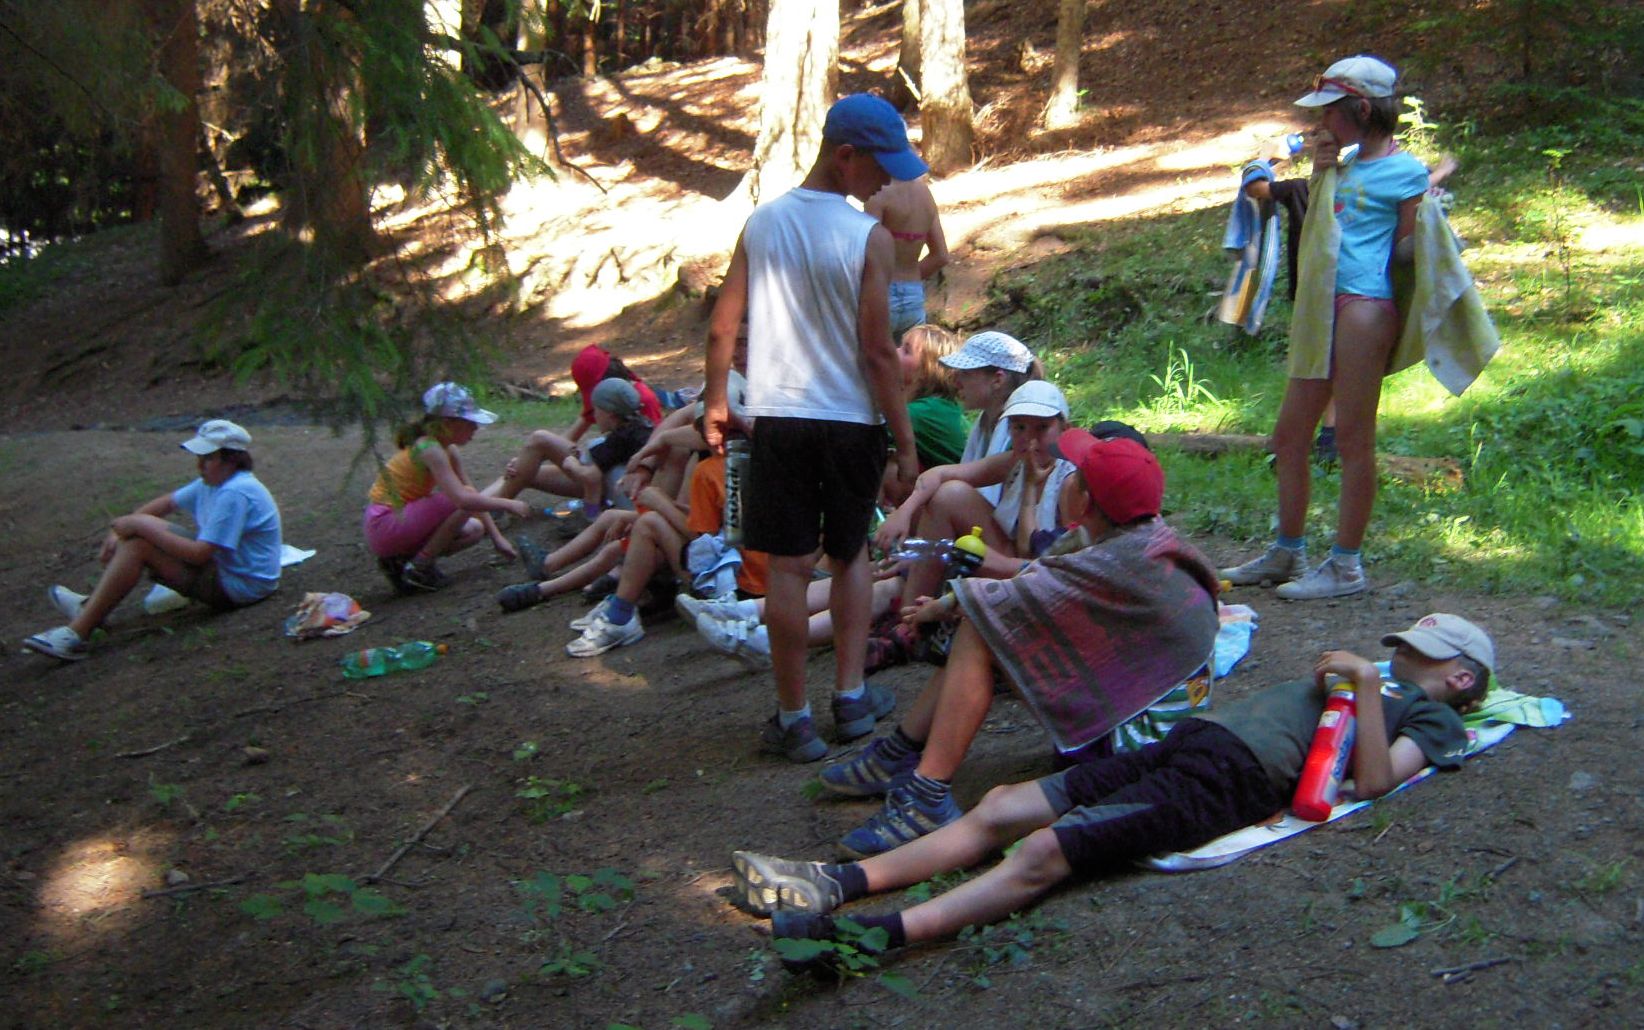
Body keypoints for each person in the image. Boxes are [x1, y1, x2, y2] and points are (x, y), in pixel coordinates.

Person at [730, 612, 1493, 969]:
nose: (1403, 652)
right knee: (1002, 804)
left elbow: (1372, 780)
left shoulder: (1431, 717)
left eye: (1425, 651)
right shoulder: (1377, 682)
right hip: (1189, 743)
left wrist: (1366, 686)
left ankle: (873, 937)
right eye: (1403, 644)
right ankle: (836, 883)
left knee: (1044, 850)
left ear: (1461, 679)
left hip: (1231, 779)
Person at [823, 430, 1221, 857]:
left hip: (1140, 751)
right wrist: (950, 602)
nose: (1065, 478)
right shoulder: (1145, 539)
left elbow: (1020, 593)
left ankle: (926, 793)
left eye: (1074, 475)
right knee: (987, 617)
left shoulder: (1111, 561)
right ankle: (900, 752)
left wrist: (944, 607)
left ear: (1085, 501)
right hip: (1161, 724)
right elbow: (1040, 577)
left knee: (984, 626)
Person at [700, 93, 923, 762]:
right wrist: (904, 444)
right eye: (881, 167)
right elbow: (878, 352)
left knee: (789, 568)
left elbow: (722, 326)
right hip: (851, 423)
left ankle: (794, 717)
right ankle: (850, 699)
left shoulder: (763, 224)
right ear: (845, 156)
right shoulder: (866, 237)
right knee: (851, 556)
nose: (887, 183)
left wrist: (717, 400)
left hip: (781, 419)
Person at [1223, 56, 1434, 600]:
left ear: (1361, 109)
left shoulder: (1407, 172)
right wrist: (1322, 170)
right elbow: (1319, 232)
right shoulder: (1338, 163)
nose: (1321, 123)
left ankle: (1346, 566)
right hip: (1320, 307)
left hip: (1365, 310)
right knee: (1289, 437)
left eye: (1330, 112)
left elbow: (1406, 252)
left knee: (1353, 441)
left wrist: (1433, 229)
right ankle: (1288, 551)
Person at [25, 419, 284, 661]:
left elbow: (199, 554)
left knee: (140, 544)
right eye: (199, 458)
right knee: (139, 535)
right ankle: (89, 608)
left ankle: (76, 633)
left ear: (231, 460)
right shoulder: (211, 484)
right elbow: (165, 504)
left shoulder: (235, 493)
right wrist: (121, 531)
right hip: (227, 570)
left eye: (208, 458)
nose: (199, 466)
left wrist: (139, 526)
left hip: (241, 586)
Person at [867, 378, 1075, 671]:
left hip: (1038, 577)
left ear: (1064, 428)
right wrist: (905, 510)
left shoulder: (1070, 481)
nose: (1029, 440)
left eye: (1042, 428)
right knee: (949, 495)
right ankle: (908, 622)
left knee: (962, 544)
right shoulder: (1016, 461)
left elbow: (1037, 556)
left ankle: (925, 619)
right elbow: (941, 474)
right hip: (1009, 560)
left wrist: (1029, 487)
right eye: (1019, 428)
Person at [363, 383, 532, 593]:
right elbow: (464, 499)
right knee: (462, 499)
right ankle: (419, 567)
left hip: (396, 523)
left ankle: (404, 562)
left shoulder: (446, 449)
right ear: (447, 424)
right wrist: (507, 504)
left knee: (474, 529)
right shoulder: (429, 448)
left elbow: (469, 491)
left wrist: (497, 537)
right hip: (385, 522)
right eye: (469, 423)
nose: (475, 428)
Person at [489, 377, 655, 522]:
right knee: (528, 461)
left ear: (609, 414)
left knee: (540, 439)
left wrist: (572, 464)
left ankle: (492, 510)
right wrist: (524, 463)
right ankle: (488, 508)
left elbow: (591, 478)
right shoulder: (639, 427)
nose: (594, 416)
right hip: (623, 494)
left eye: (596, 411)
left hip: (626, 501)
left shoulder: (621, 437)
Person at [865, 177, 950, 337]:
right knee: (910, 352)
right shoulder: (925, 194)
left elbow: (867, 250)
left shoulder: (878, 192)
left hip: (881, 295)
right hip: (914, 296)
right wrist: (910, 278)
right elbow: (941, 256)